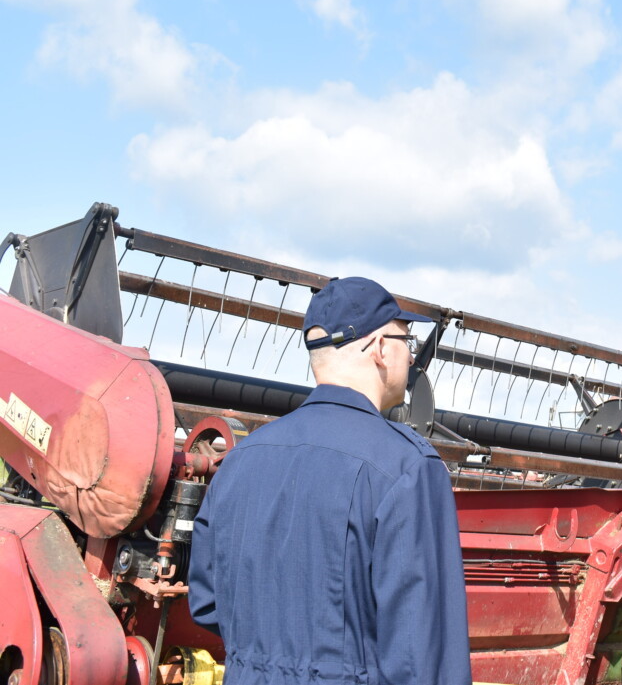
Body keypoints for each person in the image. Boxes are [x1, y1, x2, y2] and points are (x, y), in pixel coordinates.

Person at [189, 276, 472, 684]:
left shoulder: (240, 461)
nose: (410, 359)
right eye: (406, 344)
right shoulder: (407, 467)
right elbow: (423, 654)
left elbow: (206, 602)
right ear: (378, 349)